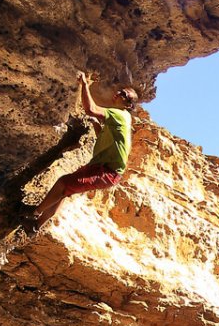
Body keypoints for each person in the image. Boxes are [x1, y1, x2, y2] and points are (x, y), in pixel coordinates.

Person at [27, 71, 138, 226]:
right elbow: (102, 138)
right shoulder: (120, 119)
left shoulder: (120, 114)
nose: (118, 93)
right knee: (64, 192)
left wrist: (85, 84)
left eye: (123, 94)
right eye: (120, 91)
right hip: (104, 170)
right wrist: (95, 125)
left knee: (62, 183)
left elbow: (91, 109)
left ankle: (33, 213)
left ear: (128, 104)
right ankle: (36, 225)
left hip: (106, 171)